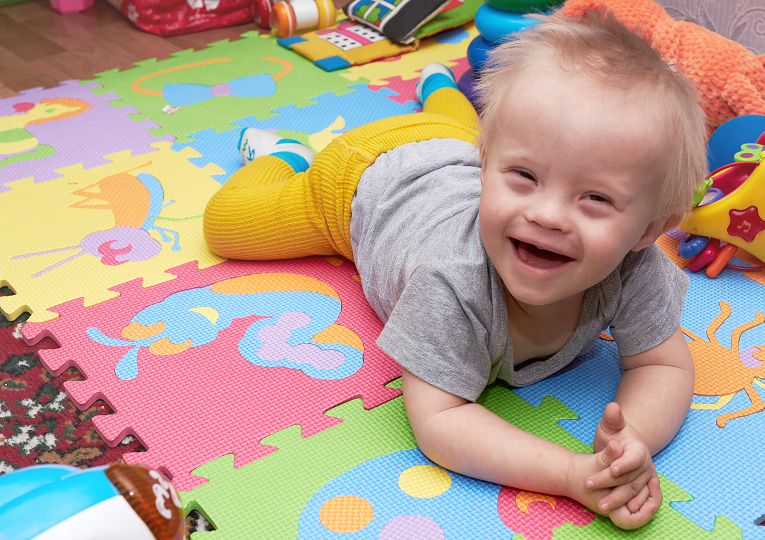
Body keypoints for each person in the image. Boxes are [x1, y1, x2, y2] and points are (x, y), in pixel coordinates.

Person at [203, 9, 707, 529]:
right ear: (485, 166)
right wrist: (571, 474)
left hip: (450, 141)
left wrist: (628, 448)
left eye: (596, 198)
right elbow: (440, 420)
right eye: (525, 176)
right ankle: (284, 155)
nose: (546, 215)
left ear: (649, 230)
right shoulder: (452, 279)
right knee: (224, 226)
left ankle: (439, 85)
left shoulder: (636, 267)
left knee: (457, 125)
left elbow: (662, 366)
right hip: (355, 179)